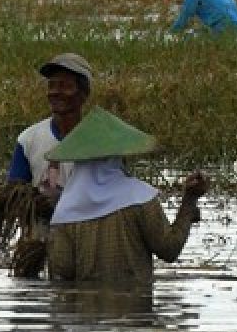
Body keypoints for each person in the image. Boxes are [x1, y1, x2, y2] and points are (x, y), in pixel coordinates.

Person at [46, 107, 208, 283]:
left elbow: (60, 277)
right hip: (135, 307)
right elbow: (169, 250)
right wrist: (189, 202)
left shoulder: (65, 211)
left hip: (85, 308)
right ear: (118, 156)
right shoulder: (139, 197)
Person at [7, 53, 93, 199]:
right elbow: (15, 194)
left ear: (83, 94)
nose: (56, 92)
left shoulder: (101, 140)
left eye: (65, 86)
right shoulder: (29, 140)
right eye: (51, 86)